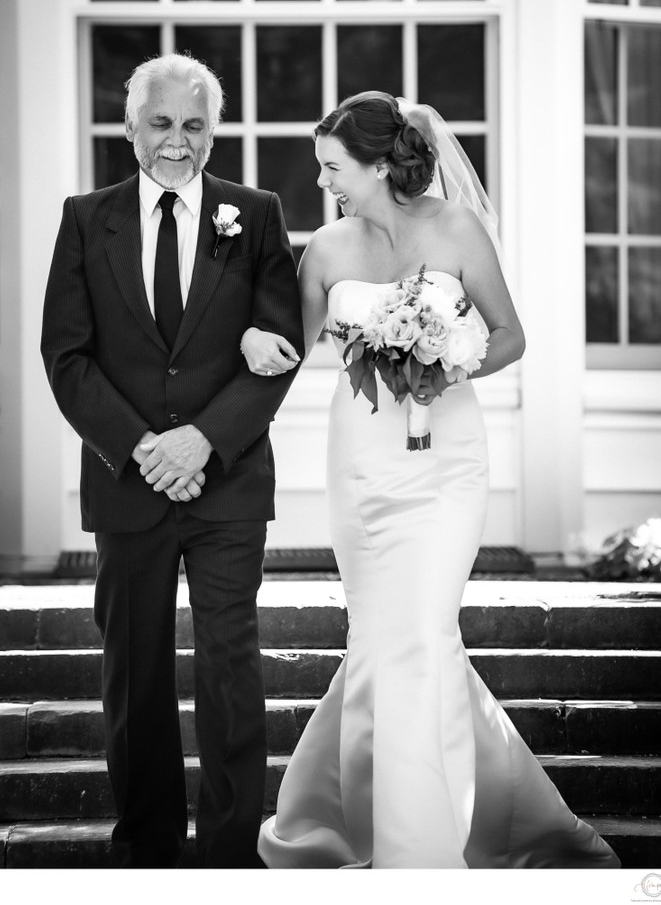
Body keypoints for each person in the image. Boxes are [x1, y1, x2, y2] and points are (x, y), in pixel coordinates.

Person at [240, 91, 620, 870]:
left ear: (380, 164)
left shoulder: (455, 227)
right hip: (362, 465)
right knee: (386, 639)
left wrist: (446, 359)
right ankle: (392, 820)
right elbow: (287, 349)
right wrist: (253, 342)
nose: (324, 183)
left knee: (417, 633)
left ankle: (417, 853)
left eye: (333, 167)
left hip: (446, 460)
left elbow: (511, 333)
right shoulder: (325, 252)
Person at [41, 53, 304, 868]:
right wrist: (143, 447)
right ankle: (147, 848)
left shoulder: (254, 214)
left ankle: (230, 854)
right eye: (162, 124)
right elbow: (67, 356)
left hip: (227, 486)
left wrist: (204, 440)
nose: (178, 142)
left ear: (213, 133)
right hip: (129, 485)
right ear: (132, 129)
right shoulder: (87, 218)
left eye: (194, 126)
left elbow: (279, 348)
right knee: (135, 671)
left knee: (232, 668)